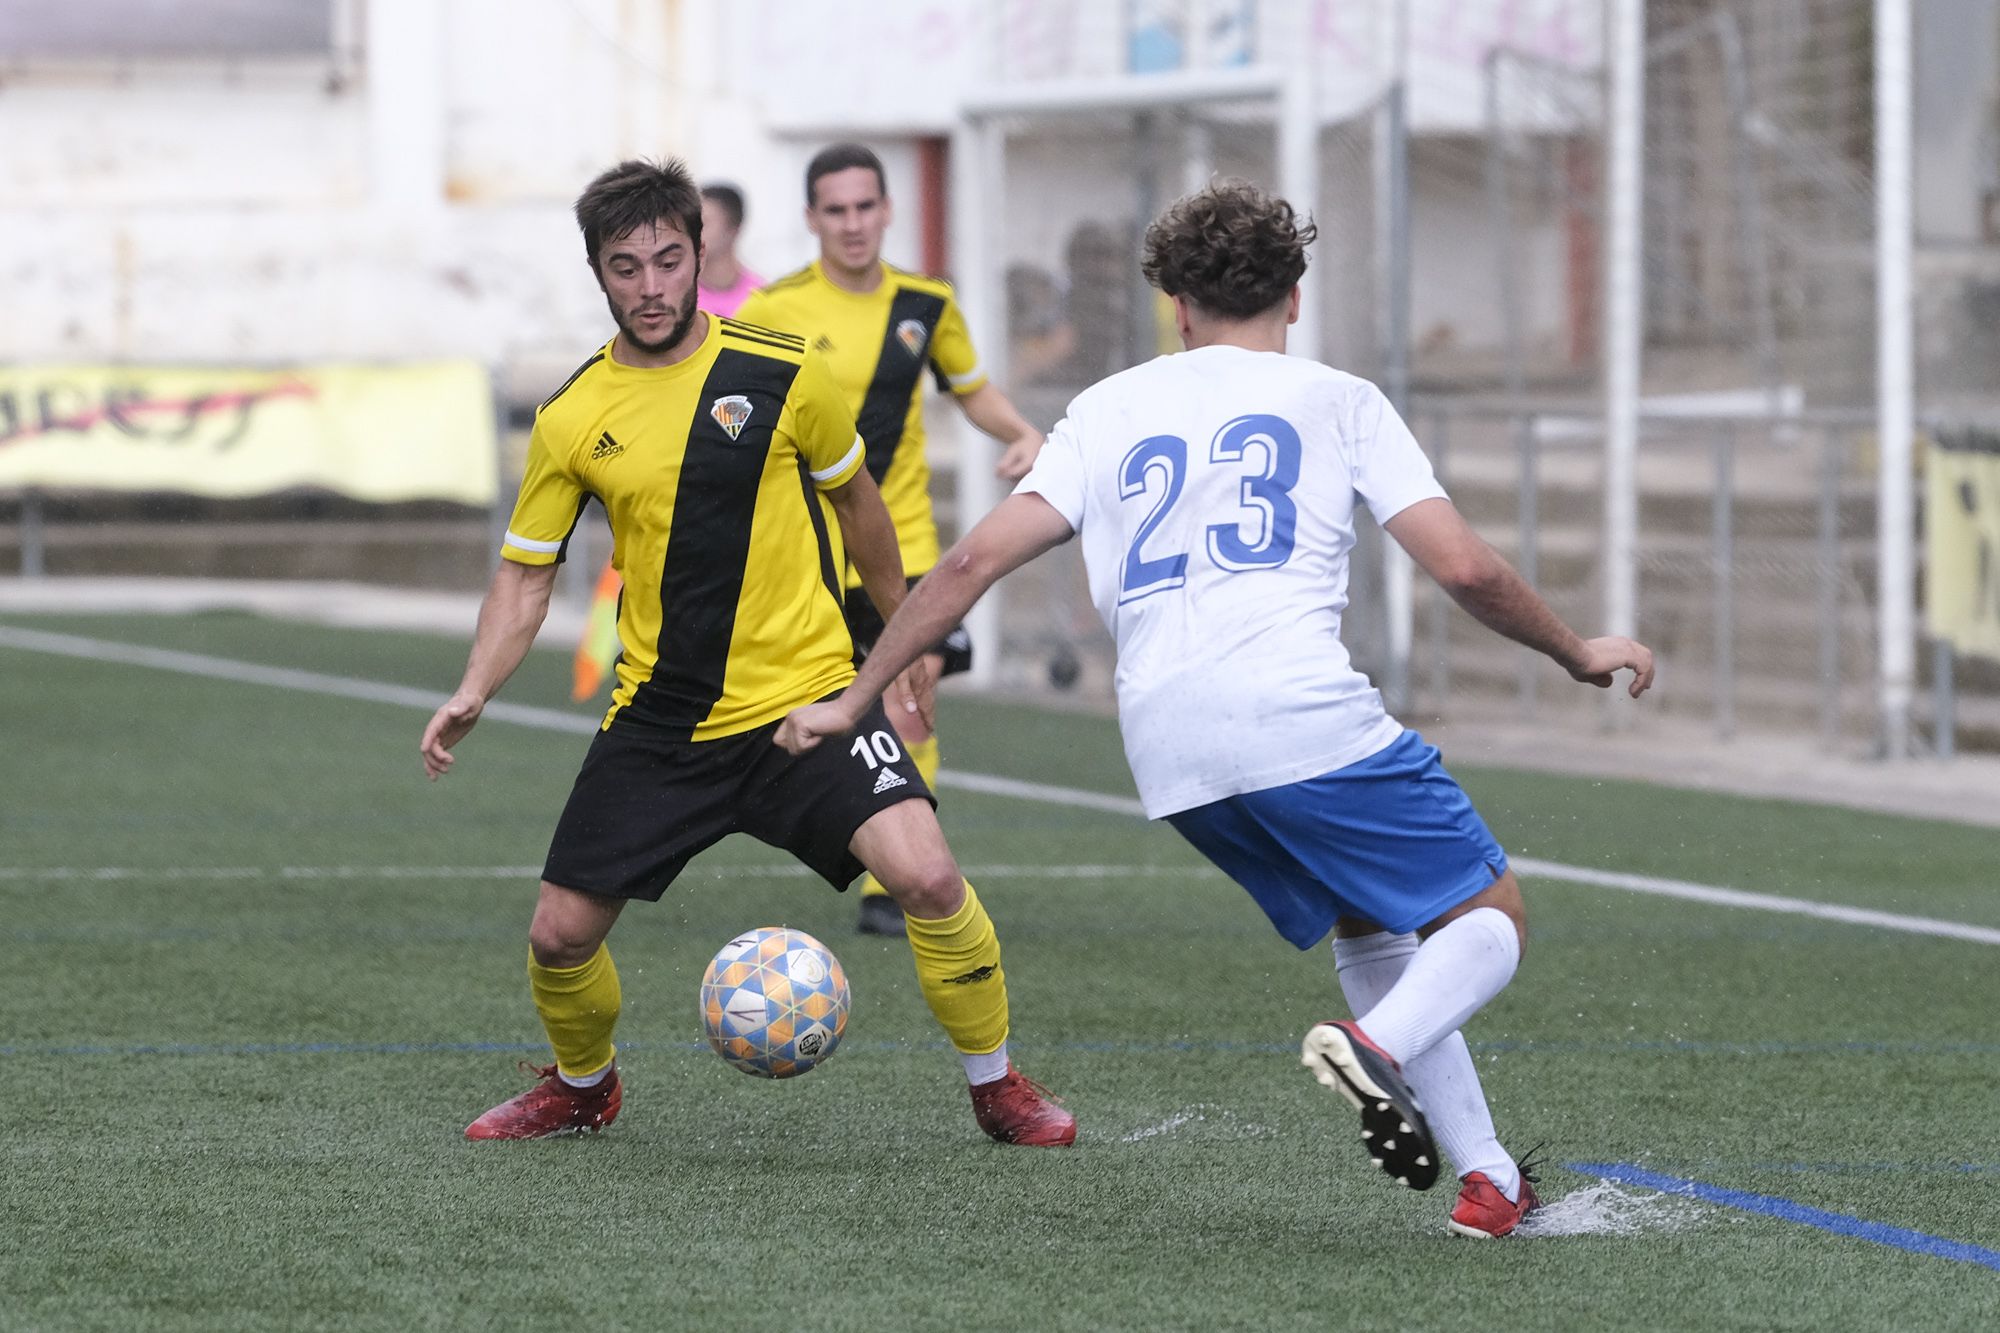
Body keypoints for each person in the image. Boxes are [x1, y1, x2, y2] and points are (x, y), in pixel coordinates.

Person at [773, 181, 1655, 1235]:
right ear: (1294, 293)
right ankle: (1373, 1048)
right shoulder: (1338, 399)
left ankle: (1487, 1180)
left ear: (1175, 308)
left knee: (1369, 913)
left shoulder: (1104, 409)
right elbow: (1460, 568)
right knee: (1487, 917)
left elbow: (968, 560)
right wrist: (1570, 649)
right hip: (1294, 710)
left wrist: (856, 698)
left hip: (1164, 749)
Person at [420, 157, 1074, 1149]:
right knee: (558, 935)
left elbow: (861, 510)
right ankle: (583, 1085)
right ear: (598, 272)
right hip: (662, 719)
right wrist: (474, 687)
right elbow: (525, 574)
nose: (649, 286)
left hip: (806, 701)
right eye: (625, 266)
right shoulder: (570, 416)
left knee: (928, 876)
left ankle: (997, 1084)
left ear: (698, 256)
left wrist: (901, 651)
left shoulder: (779, 367)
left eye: (667, 260)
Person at [737, 143, 1045, 938]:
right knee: (784, 717)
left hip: (902, 545)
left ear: (887, 210)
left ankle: (893, 883)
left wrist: (1025, 433)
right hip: (806, 552)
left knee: (913, 692)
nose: (851, 224)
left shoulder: (926, 303)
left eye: (864, 206)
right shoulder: (773, 311)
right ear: (812, 219)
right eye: (834, 210)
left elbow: (971, 390)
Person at [571, 181, 769, 701]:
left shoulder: (764, 305)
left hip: (731, 461)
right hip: (663, 453)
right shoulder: (661, 298)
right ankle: (598, 660)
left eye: (710, 222)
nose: (650, 281)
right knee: (638, 558)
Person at [695, 182, 763, 318]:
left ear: (733, 229)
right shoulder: (680, 295)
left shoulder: (760, 296)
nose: (694, 231)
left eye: (703, 223)